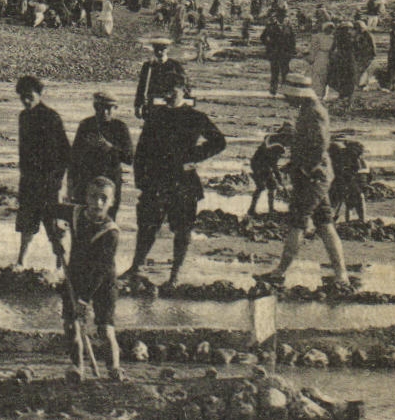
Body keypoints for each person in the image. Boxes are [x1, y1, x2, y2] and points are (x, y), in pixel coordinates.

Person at [125, 83, 226, 288]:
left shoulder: (195, 117)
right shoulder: (154, 115)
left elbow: (219, 142)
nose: (168, 94)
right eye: (166, 90)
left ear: (184, 91)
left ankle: (175, 274)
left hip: (183, 182)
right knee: (147, 226)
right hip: (155, 180)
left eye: (173, 90)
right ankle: (136, 268)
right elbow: (142, 150)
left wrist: (194, 156)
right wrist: (141, 180)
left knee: (182, 229)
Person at [257, 75, 349, 289]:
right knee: (325, 223)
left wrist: (305, 169)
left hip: (312, 177)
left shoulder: (314, 112)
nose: (286, 99)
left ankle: (280, 272)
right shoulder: (309, 110)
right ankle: (341, 275)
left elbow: (320, 144)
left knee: (298, 222)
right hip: (316, 176)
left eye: (287, 95)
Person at [62, 177, 121, 377]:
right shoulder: (76, 213)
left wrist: (84, 299)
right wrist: (55, 233)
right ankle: (77, 367)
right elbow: (47, 209)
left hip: (103, 281)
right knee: (71, 325)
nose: (98, 203)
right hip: (76, 276)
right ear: (86, 197)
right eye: (93, 197)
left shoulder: (111, 232)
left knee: (105, 328)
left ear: (112, 201)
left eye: (104, 198)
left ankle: (114, 368)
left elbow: (100, 269)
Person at [15, 75, 71, 270]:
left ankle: (60, 265)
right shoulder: (23, 117)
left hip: (49, 180)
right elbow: (23, 152)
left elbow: (65, 152)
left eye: (30, 96)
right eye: (22, 97)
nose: (26, 100)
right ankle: (21, 261)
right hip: (29, 179)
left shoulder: (51, 118)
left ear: (40, 95)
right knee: (26, 224)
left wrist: (58, 182)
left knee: (53, 226)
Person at [67, 91, 133, 215]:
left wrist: (109, 147)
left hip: (110, 184)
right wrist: (70, 185)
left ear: (115, 108)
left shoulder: (120, 128)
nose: (104, 112)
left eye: (109, 108)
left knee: (107, 224)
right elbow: (74, 157)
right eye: (100, 108)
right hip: (86, 183)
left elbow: (129, 158)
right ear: (95, 108)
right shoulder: (86, 125)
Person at [133, 38, 188, 120]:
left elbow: (183, 85)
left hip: (170, 104)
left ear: (167, 50)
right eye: (157, 49)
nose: (159, 52)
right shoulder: (148, 66)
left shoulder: (175, 65)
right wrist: (137, 106)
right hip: (152, 106)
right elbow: (141, 86)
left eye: (162, 49)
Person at [248, 124, 291, 217]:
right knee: (265, 186)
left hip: (257, 163)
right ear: (285, 137)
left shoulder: (272, 139)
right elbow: (273, 165)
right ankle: (256, 210)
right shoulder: (278, 146)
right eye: (289, 138)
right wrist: (280, 180)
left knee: (267, 186)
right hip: (260, 165)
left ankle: (261, 209)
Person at [328, 135, 369, 224]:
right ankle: (330, 221)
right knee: (344, 200)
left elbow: (357, 169)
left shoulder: (353, 156)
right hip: (339, 181)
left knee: (352, 200)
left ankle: (359, 220)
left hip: (346, 180)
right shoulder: (341, 156)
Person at [260, 11, 298, 97]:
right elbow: (262, 37)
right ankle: (273, 90)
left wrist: (292, 50)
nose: (282, 19)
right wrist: (269, 45)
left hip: (285, 53)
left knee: (285, 72)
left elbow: (293, 40)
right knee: (274, 72)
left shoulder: (288, 27)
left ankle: (286, 91)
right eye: (280, 17)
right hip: (274, 53)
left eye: (283, 17)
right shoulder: (271, 26)